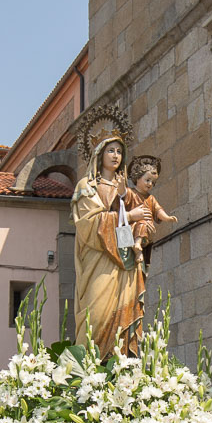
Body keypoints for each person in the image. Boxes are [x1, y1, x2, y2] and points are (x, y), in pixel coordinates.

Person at [71, 134, 145, 359]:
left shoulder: (126, 189)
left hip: (124, 262)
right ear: (99, 154)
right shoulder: (87, 186)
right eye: (110, 150)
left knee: (122, 318)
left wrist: (137, 227)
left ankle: (120, 367)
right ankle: (87, 374)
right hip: (98, 261)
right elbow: (87, 225)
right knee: (96, 316)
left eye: (119, 152)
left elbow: (143, 220)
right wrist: (128, 216)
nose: (115, 155)